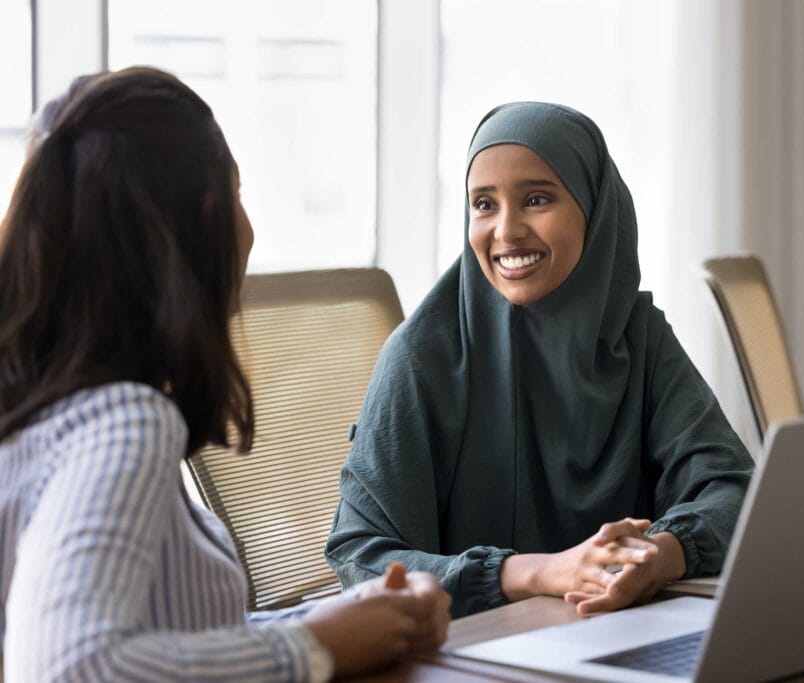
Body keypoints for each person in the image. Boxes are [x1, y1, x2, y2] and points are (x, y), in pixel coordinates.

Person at [0, 67, 450, 682]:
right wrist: (312, 649)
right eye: (237, 194)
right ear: (203, 215)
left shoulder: (41, 408)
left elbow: (168, 639)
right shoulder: (125, 420)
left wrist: (340, 620)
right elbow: (69, 669)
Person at [325, 101, 754, 618]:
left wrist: (661, 554)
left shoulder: (636, 335)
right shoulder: (422, 357)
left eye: (536, 199)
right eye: (483, 205)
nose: (506, 231)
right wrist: (539, 573)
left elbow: (733, 487)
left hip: (611, 629)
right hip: (473, 646)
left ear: (593, 209)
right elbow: (360, 556)